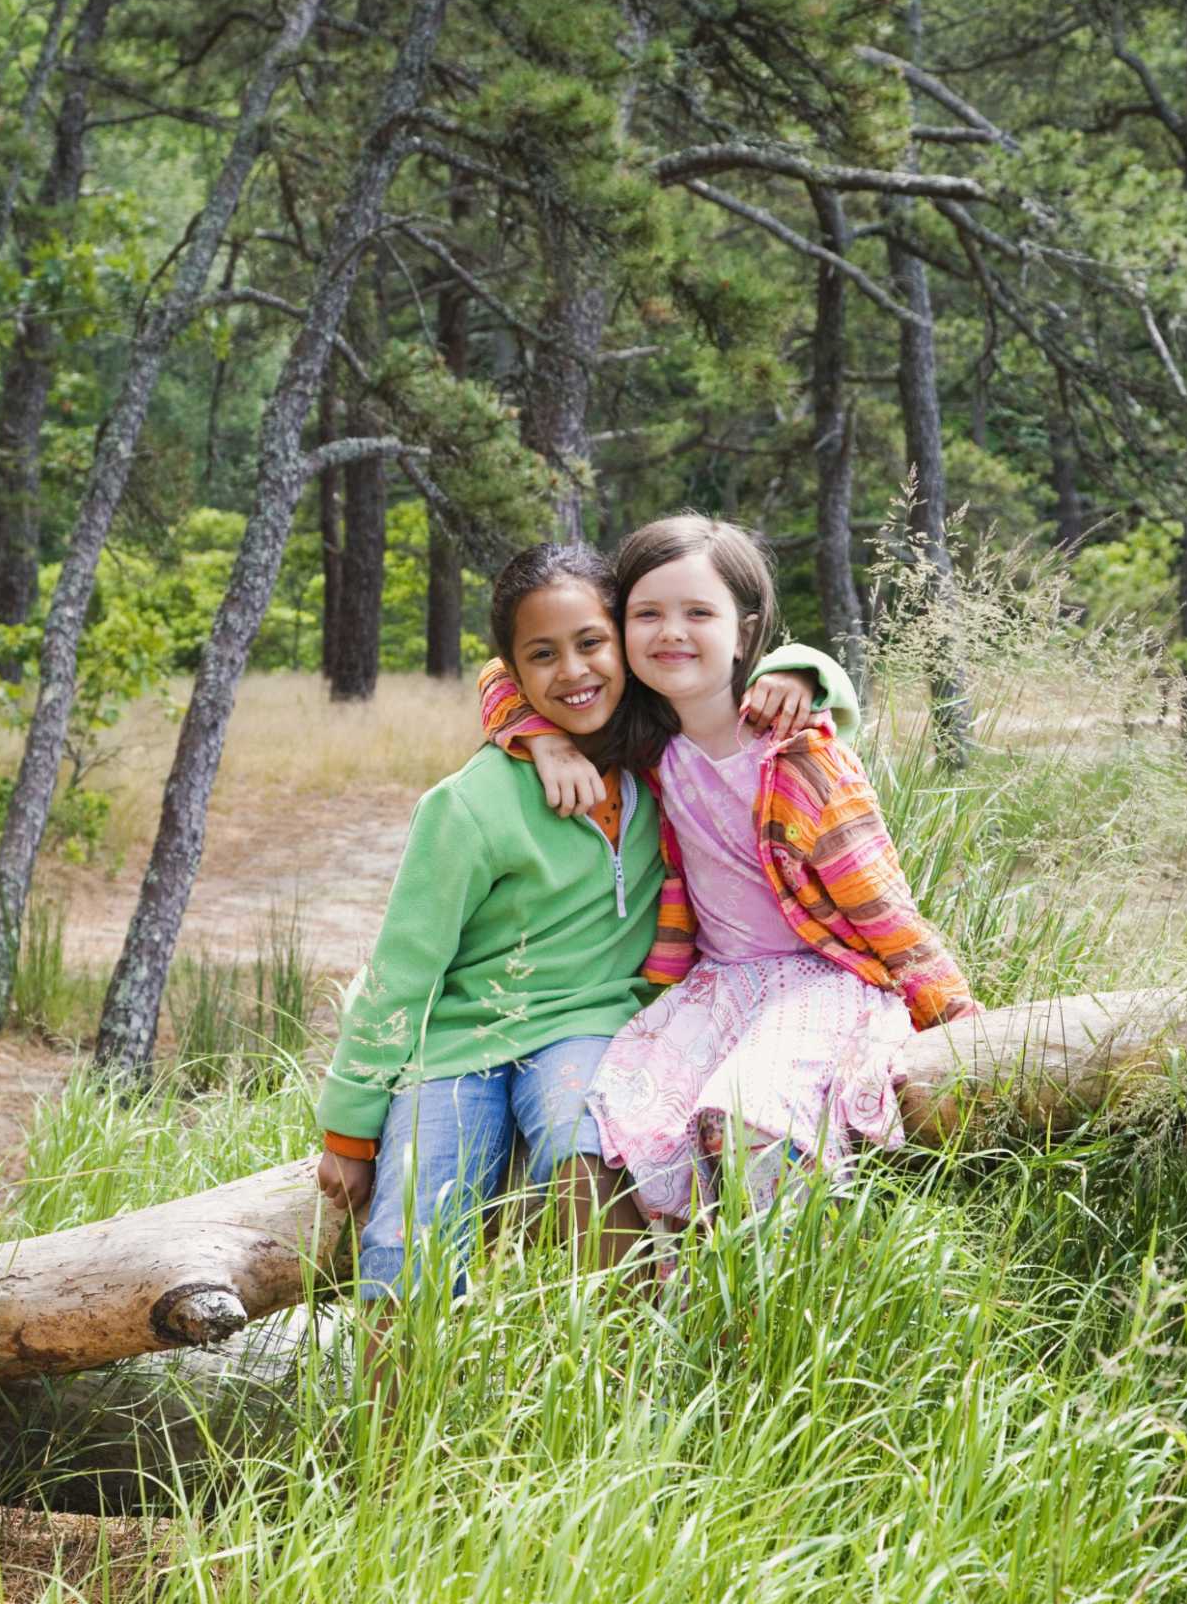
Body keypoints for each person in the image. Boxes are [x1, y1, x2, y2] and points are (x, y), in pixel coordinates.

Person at [314, 539, 859, 1353]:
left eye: (591, 644)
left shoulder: (655, 757)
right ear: (515, 672)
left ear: (624, 643)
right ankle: (390, 1451)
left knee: (591, 1164)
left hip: (588, 1028)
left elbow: (781, 691)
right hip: (452, 1048)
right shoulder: (468, 805)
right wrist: (349, 1130)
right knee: (409, 1228)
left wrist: (807, 668)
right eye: (543, 658)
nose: (572, 671)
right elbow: (401, 973)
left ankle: (619, 1403)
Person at [480, 515, 977, 1234]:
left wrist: (956, 1017)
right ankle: (692, 1301)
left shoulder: (798, 756)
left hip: (821, 979)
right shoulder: (646, 740)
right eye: (645, 614)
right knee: (631, 1112)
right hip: (716, 986)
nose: (670, 632)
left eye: (698, 614)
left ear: (744, 633)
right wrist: (544, 741)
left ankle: (783, 1295)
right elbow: (501, 673)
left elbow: (881, 907)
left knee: (750, 1108)